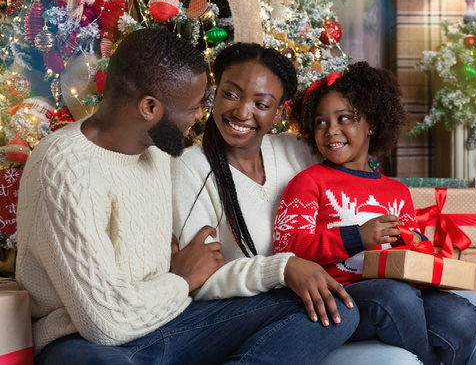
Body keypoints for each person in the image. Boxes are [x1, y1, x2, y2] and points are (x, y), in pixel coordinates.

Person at [16, 29, 358, 365]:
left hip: (172, 323)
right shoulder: (64, 170)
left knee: (333, 307)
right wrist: (180, 278)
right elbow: (108, 322)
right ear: (150, 107)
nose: (199, 118)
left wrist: (175, 273)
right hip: (84, 341)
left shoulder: (158, 150)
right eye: (193, 107)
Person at [172, 43, 476, 365]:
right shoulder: (197, 169)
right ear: (213, 93)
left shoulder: (300, 150)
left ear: (279, 112)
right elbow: (209, 276)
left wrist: (415, 249)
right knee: (395, 300)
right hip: (290, 304)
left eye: (262, 104)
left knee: (465, 309)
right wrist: (288, 266)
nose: (243, 111)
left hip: (370, 291)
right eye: (230, 94)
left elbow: (358, 165)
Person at [272, 61, 476, 365]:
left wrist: (413, 241)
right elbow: (287, 247)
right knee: (394, 296)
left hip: (402, 294)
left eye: (343, 118)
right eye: (320, 122)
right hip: (341, 298)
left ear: (371, 123)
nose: (331, 131)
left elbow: (413, 257)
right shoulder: (308, 181)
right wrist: (357, 237)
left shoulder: (397, 191)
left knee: (461, 315)